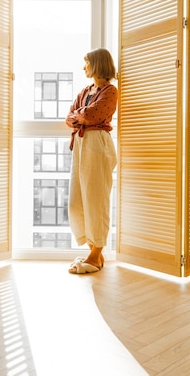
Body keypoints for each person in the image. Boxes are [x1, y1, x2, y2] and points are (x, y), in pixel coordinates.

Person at [65, 48, 118, 274]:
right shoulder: (86, 90)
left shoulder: (110, 91)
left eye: (86, 63)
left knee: (96, 201)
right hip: (80, 145)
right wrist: (80, 116)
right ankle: (93, 251)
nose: (83, 67)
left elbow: (92, 115)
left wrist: (80, 116)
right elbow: (70, 116)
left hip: (97, 145)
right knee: (76, 202)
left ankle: (95, 255)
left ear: (96, 64)